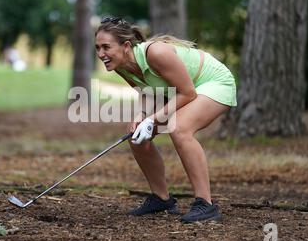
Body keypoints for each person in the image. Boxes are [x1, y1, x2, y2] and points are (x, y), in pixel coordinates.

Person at [95, 17, 237, 223]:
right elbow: (146, 90)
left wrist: (153, 118)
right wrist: (141, 116)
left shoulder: (156, 53)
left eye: (106, 47)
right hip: (183, 91)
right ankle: (162, 199)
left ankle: (206, 204)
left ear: (126, 46)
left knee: (180, 128)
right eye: (98, 48)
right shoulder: (120, 64)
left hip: (213, 82)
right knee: (136, 137)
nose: (101, 54)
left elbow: (188, 93)